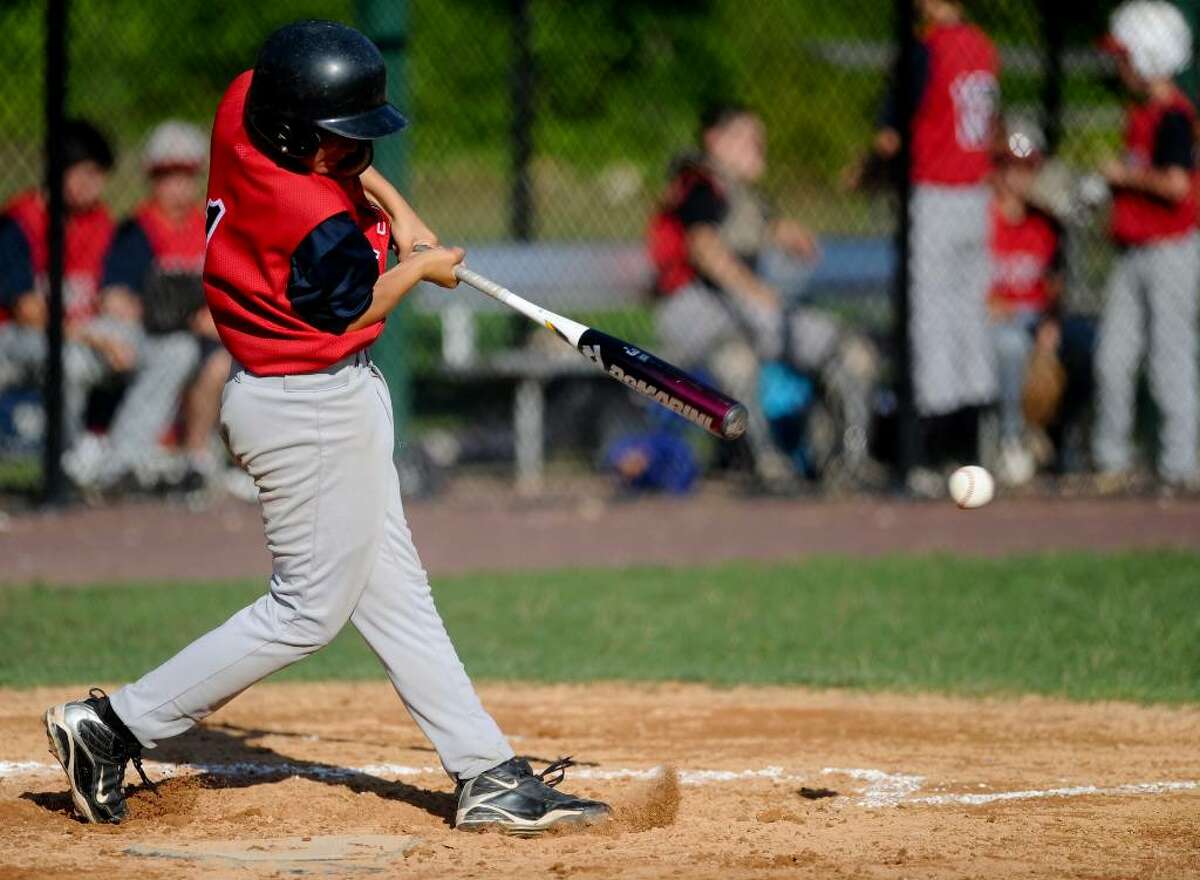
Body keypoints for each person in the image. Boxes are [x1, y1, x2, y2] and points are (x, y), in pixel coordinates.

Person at [42, 20, 609, 835]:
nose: (353, 154)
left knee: (396, 593)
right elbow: (359, 306)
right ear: (292, 135)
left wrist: (402, 212)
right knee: (306, 612)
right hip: (306, 408)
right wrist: (418, 268)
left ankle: (483, 770)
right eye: (338, 142)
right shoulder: (310, 221)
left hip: (305, 394)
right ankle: (113, 726)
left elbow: (348, 162)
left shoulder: (247, 103)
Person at [650, 103, 880, 488]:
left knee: (854, 354)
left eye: (759, 139)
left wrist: (791, 236)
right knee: (736, 361)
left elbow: (766, 225)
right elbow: (704, 249)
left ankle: (851, 460)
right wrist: (756, 291)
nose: (758, 147)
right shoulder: (700, 184)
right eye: (746, 138)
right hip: (694, 306)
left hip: (745, 308)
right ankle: (765, 464)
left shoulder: (746, 194)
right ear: (715, 140)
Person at [860, 0, 999, 478]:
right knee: (969, 318)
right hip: (976, 196)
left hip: (936, 194)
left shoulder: (925, 48)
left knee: (929, 319)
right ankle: (976, 443)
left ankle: (925, 451)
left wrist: (865, 173)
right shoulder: (982, 46)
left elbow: (890, 138)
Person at [65, 121, 232, 492]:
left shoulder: (210, 226)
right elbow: (115, 299)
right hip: (154, 336)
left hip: (208, 338)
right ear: (152, 178)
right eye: (166, 175)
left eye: (185, 174)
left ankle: (198, 460)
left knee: (218, 359)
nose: (176, 184)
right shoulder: (136, 230)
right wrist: (179, 316)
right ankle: (102, 461)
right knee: (180, 350)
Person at [1093, 1, 1198, 489]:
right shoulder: (1141, 113)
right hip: (1133, 250)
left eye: (1125, 57)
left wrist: (1123, 176)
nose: (1119, 67)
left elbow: (1177, 185)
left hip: (1170, 252)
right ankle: (1111, 461)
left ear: (1149, 56)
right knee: (1112, 359)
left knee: (1168, 359)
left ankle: (1179, 464)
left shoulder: (1174, 116)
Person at [0, 120, 140, 445]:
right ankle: (70, 453)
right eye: (87, 173)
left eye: (100, 174)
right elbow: (29, 314)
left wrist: (124, 309)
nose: (96, 184)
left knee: (161, 349)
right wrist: (98, 339)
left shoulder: (100, 221)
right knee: (70, 360)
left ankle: (125, 453)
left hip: (81, 334)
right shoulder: (18, 223)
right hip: (17, 337)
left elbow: (111, 295)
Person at [987, 118, 1064, 485]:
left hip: (1036, 319)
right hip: (995, 323)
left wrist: (1051, 326)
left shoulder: (1045, 222)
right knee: (1012, 346)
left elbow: (1055, 288)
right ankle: (1012, 440)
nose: (1017, 176)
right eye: (1009, 166)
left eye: (1026, 168)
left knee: (1084, 344)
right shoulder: (981, 219)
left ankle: (1060, 443)